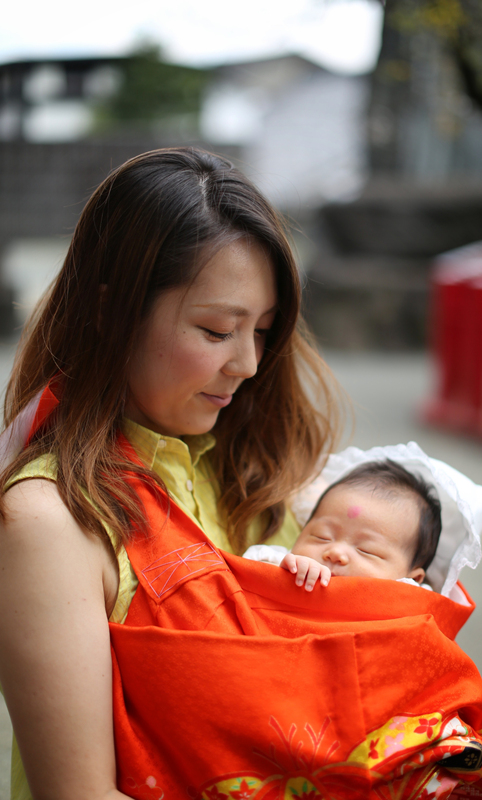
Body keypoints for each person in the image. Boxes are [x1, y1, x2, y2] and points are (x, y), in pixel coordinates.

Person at [0, 147, 340, 800]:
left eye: (263, 331)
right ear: (110, 311)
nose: (247, 364)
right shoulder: (51, 518)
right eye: (215, 330)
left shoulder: (257, 474)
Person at [243, 458, 442, 591]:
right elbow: (247, 571)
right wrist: (283, 573)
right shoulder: (281, 562)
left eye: (367, 550)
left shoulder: (409, 597)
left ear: (412, 579)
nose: (336, 552)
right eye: (322, 537)